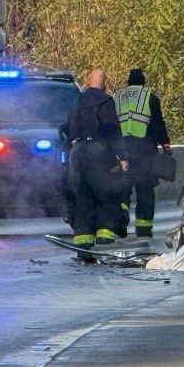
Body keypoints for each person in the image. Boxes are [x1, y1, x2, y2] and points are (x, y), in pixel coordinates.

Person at [66, 69, 128, 249]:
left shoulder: (77, 100)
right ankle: (105, 237)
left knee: (83, 196)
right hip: (99, 153)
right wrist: (122, 157)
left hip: (77, 152)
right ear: (104, 83)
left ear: (88, 81)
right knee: (107, 195)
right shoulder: (106, 102)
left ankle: (83, 241)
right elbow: (113, 132)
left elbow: (70, 127)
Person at [112, 68, 170, 243]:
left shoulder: (117, 97)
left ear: (128, 82)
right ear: (143, 81)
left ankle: (120, 221)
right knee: (144, 190)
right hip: (144, 150)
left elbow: (111, 124)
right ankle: (143, 231)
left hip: (122, 151)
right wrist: (165, 145)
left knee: (123, 188)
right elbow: (158, 123)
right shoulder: (150, 96)